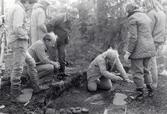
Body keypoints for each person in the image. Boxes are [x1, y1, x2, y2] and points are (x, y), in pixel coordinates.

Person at [7, 0, 39, 101]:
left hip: (17, 42)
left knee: (31, 62)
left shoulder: (14, 7)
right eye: (31, 4)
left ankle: (35, 87)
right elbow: (17, 28)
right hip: (19, 42)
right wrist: (26, 37)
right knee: (18, 68)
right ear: (26, 2)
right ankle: (15, 93)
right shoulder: (19, 9)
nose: (30, 7)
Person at [124, 3, 156, 100]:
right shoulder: (145, 16)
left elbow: (133, 37)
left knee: (137, 72)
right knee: (146, 70)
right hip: (149, 47)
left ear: (129, 10)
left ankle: (140, 93)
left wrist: (128, 52)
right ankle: (150, 91)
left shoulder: (132, 18)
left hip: (138, 50)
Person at [143, 0, 166, 89]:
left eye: (145, 4)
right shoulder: (162, 13)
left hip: (151, 40)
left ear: (149, 3)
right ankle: (150, 82)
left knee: (151, 62)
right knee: (150, 61)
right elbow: (164, 29)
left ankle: (153, 84)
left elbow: (148, 30)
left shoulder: (151, 13)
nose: (144, 6)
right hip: (158, 40)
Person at [46, 12, 72, 77]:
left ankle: (62, 73)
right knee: (53, 56)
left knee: (62, 56)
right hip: (54, 40)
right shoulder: (59, 17)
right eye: (73, 17)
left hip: (62, 41)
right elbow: (49, 25)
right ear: (69, 14)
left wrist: (67, 37)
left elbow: (68, 29)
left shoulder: (70, 20)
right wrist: (52, 35)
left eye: (74, 18)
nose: (73, 19)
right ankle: (53, 73)